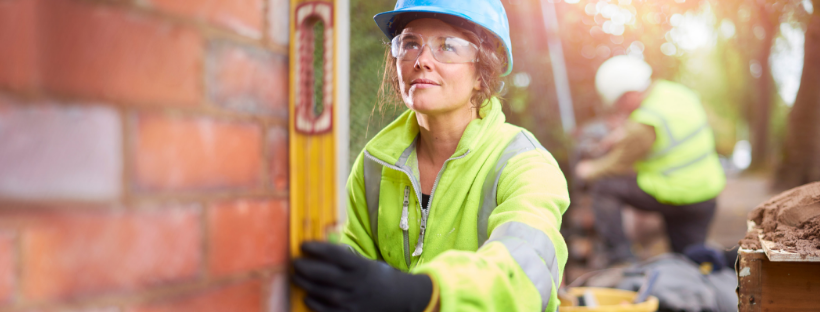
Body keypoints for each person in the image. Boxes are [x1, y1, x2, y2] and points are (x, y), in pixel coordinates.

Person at [291, 0, 570, 311]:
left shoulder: (524, 163)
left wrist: (424, 293)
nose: (421, 60)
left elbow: (525, 268)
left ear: (482, 72)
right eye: (410, 43)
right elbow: (350, 258)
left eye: (447, 46)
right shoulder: (375, 164)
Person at [575, 55, 726, 265]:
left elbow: (616, 165)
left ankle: (621, 257)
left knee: (604, 186)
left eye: (619, 103)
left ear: (627, 95)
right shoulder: (673, 93)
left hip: (675, 193)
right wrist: (623, 133)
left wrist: (587, 170)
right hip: (705, 194)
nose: (621, 109)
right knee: (689, 261)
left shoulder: (643, 124)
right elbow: (666, 131)